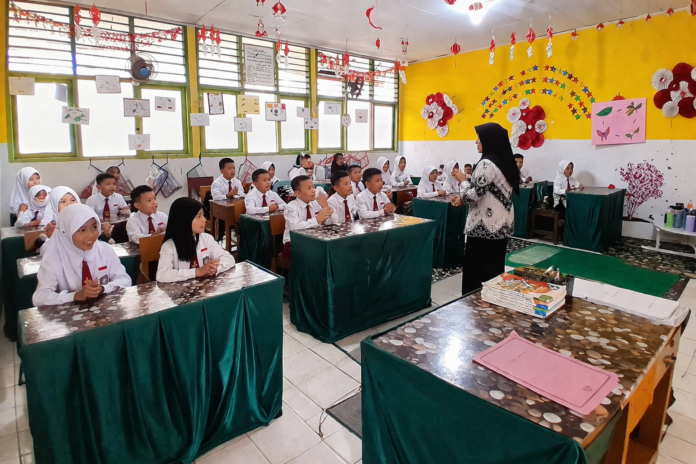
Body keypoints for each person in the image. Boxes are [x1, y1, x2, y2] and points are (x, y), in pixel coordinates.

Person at [451, 123, 519, 295]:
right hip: (500, 224)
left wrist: (462, 183)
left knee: (476, 271)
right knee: (494, 268)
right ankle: (492, 301)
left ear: (489, 140)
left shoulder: (487, 163)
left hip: (483, 226)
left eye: (479, 138)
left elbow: (476, 193)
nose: (476, 142)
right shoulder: (504, 162)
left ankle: (472, 303)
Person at [32, 205, 131, 307]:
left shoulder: (105, 250)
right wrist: (75, 296)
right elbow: (40, 297)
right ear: (66, 232)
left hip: (103, 310)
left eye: (94, 227)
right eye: (82, 230)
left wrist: (103, 288)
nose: (91, 235)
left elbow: (124, 279)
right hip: (69, 314)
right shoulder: (53, 259)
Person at [156, 197, 236, 282]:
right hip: (182, 290)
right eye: (199, 216)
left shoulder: (206, 239)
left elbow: (229, 258)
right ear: (184, 219)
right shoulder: (169, 246)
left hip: (206, 288)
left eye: (203, 215)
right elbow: (162, 275)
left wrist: (215, 268)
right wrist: (197, 272)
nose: (204, 220)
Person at [281, 175, 337, 259]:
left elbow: (334, 222)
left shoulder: (316, 203)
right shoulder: (291, 207)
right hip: (294, 243)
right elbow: (295, 227)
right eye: (309, 188)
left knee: (333, 246)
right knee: (318, 251)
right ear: (298, 193)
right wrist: (317, 220)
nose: (313, 191)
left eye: (313, 187)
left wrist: (325, 207)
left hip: (314, 239)